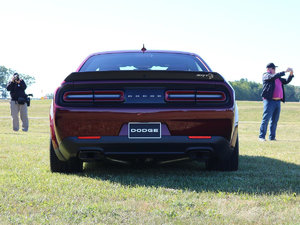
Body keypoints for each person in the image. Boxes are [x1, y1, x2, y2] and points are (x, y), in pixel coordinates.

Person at [259, 63, 294, 141]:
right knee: (266, 119)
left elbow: (286, 81)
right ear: (268, 69)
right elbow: (272, 77)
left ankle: (272, 137)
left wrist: (291, 74)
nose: (275, 70)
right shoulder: (266, 75)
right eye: (273, 68)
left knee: (274, 120)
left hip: (278, 102)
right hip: (269, 101)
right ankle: (261, 137)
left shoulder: (278, 78)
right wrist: (285, 71)